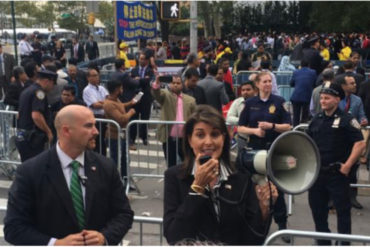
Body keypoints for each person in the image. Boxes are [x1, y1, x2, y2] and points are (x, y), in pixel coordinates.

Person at [4, 105, 134, 245]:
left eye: (95, 125)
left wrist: (104, 237)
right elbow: (14, 227)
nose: (96, 131)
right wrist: (55, 244)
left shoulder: (106, 167)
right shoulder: (30, 171)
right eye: (89, 126)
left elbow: (124, 214)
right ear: (66, 131)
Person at [163, 105, 278, 245]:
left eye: (215, 134)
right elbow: (173, 236)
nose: (208, 142)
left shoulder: (241, 176)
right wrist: (197, 187)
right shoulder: (175, 177)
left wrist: (263, 209)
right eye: (200, 135)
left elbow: (253, 240)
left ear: (223, 139)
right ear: (189, 140)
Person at [307, 82, 365, 245]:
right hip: (318, 174)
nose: (323, 101)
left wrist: (347, 166)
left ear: (337, 99)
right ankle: (323, 242)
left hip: (338, 174)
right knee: (318, 213)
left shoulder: (347, 119)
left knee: (343, 213)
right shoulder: (316, 119)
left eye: (327, 98)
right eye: (322, 98)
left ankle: (344, 243)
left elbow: (360, 143)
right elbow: (306, 144)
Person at [237, 71, 292, 242]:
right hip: (254, 151)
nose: (268, 84)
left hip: (274, 151)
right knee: (254, 188)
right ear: (258, 85)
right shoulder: (249, 103)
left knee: (277, 188)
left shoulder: (279, 102)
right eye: (265, 81)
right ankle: (255, 224)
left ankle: (282, 226)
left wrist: (272, 126)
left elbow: (288, 126)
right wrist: (254, 131)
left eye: (270, 81)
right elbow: (239, 128)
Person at [151, 74, 196, 168]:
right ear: (169, 85)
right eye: (173, 83)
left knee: (187, 164)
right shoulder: (165, 95)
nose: (175, 85)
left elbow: (195, 117)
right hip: (169, 137)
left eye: (178, 83)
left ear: (182, 85)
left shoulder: (190, 100)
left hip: (185, 139)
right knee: (171, 165)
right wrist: (157, 83)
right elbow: (157, 94)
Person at [337, 75, 368, 210]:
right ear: (344, 86)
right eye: (352, 83)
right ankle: (334, 198)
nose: (355, 85)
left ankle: (352, 197)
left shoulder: (357, 100)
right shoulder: (337, 99)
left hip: (352, 139)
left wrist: (363, 120)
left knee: (353, 169)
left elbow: (362, 114)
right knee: (337, 169)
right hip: (338, 138)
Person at [16, 69, 57, 162]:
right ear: (47, 81)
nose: (53, 87)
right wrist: (48, 131)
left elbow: (19, 114)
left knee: (27, 167)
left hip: (22, 135)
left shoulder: (27, 90)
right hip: (33, 138)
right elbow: (36, 115)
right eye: (53, 84)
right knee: (36, 168)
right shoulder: (39, 93)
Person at [103, 80, 135, 180]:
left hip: (122, 134)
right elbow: (121, 119)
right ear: (117, 90)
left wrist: (131, 103)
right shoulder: (109, 104)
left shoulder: (116, 100)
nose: (122, 90)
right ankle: (114, 181)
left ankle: (125, 179)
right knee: (115, 160)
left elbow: (120, 106)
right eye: (121, 88)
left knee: (125, 159)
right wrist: (130, 112)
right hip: (114, 136)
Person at [130, 53, 155, 145]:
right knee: (134, 116)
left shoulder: (150, 70)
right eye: (140, 59)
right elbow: (132, 81)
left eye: (143, 59)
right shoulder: (134, 70)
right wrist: (142, 79)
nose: (141, 60)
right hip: (137, 95)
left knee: (145, 117)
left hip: (146, 96)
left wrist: (139, 79)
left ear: (147, 61)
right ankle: (132, 138)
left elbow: (148, 81)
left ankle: (144, 137)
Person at [83, 68, 108, 156]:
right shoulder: (87, 90)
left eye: (97, 75)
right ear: (88, 78)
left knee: (102, 142)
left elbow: (109, 100)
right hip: (95, 118)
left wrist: (102, 102)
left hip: (104, 117)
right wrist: (104, 103)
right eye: (93, 76)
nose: (96, 77)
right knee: (96, 141)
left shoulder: (101, 88)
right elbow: (95, 105)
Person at [226, 81, 257, 150]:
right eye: (243, 90)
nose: (245, 92)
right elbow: (229, 118)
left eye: (248, 90)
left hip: (257, 137)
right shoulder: (237, 102)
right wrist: (242, 120)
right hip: (242, 137)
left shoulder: (260, 102)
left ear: (255, 90)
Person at [290, 59, 317, 126]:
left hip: (296, 96)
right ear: (309, 65)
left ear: (300, 65)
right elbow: (314, 83)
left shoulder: (296, 72)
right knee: (305, 117)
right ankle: (303, 132)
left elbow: (291, 83)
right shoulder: (313, 72)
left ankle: (294, 131)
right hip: (307, 96)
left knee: (295, 116)